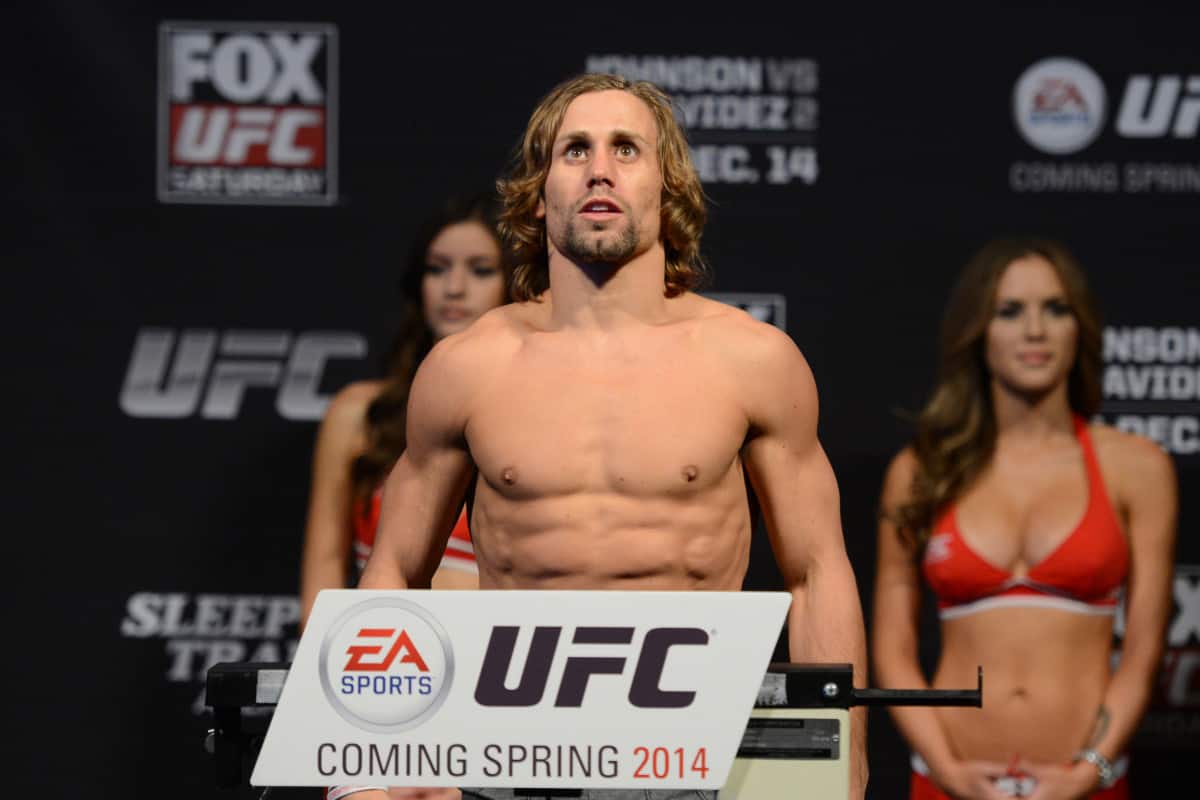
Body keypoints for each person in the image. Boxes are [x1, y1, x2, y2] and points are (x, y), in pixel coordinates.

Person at [358, 72, 868, 800]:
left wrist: (842, 764)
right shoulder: (468, 368)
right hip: (514, 761)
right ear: (539, 193)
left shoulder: (752, 361)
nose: (600, 168)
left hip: (700, 761)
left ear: (670, 189)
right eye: (575, 151)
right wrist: (372, 764)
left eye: (626, 149)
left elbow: (816, 574)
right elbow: (394, 574)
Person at [871, 237, 1178, 799]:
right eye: (1009, 311)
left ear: (1078, 326)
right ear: (977, 329)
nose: (1035, 330)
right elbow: (892, 650)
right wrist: (946, 769)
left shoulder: (1137, 468)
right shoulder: (920, 471)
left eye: (1055, 309)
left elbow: (1142, 654)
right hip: (948, 780)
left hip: (1085, 784)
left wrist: (1089, 771)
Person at [299, 190, 511, 626]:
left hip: (502, 662)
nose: (454, 287)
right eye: (437, 269)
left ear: (513, 281)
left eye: (480, 270)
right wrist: (321, 671)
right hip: (394, 664)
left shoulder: (540, 416)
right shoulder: (359, 413)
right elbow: (324, 569)